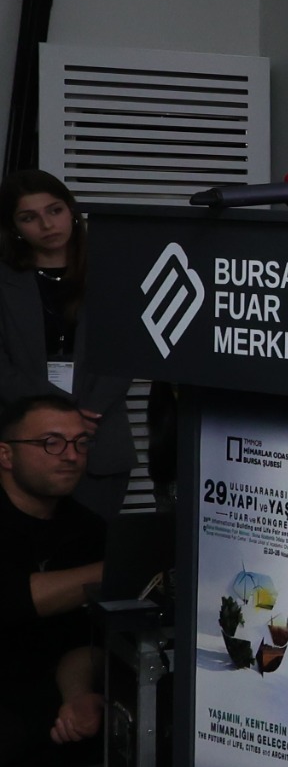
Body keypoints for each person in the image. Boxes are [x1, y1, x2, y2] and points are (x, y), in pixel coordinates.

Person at [0, 392, 106, 767]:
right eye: (51, 442)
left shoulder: (87, 529)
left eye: (80, 443)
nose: (71, 455)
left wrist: (78, 697)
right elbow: (14, 599)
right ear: (6, 454)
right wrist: (113, 572)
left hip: (38, 683)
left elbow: (83, 639)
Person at [0, 171, 136, 519]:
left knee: (95, 546)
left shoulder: (112, 273)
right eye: (29, 217)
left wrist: (82, 415)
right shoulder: (5, 282)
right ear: (14, 228)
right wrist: (60, 416)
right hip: (22, 440)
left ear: (71, 211)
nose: (47, 225)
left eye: (55, 210)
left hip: (100, 441)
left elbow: (127, 353)